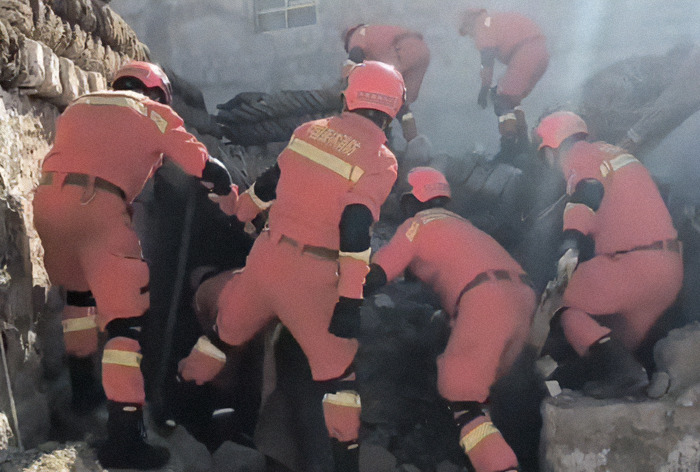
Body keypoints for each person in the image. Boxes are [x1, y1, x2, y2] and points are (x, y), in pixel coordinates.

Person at [177, 60, 405, 472]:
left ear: (348, 95)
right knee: (339, 382)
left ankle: (174, 412)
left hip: (264, 261)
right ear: (393, 108)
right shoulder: (380, 159)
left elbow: (265, 187)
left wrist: (237, 206)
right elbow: (355, 230)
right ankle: (344, 463)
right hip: (313, 277)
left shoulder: (308, 132)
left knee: (219, 341)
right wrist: (350, 301)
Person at [32, 60, 237, 470]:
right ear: (157, 92)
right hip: (99, 206)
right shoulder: (152, 112)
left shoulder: (79, 106)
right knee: (124, 326)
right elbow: (204, 166)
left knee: (78, 297)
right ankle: (126, 440)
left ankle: (83, 390)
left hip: (49, 205)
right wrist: (228, 196)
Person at [364, 167, 536, 472]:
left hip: (484, 301)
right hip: (521, 297)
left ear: (410, 201)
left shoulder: (417, 224)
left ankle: (500, 467)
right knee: (488, 388)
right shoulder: (464, 225)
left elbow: (377, 274)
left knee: (461, 396)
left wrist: (342, 286)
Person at [533, 111, 684, 398]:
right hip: (667, 270)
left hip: (633, 266)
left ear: (553, 147)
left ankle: (623, 375)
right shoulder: (611, 154)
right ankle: (635, 379)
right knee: (609, 348)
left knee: (557, 301)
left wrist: (571, 241)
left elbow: (588, 192)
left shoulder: (578, 154)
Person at [459, 8, 549, 161]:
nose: (470, 36)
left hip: (525, 53)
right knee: (512, 99)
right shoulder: (498, 20)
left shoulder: (482, 25)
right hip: (541, 54)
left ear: (469, 21)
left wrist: (484, 87)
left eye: (468, 31)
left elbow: (487, 60)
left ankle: (510, 145)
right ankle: (523, 146)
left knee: (503, 100)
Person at [343, 23, 430, 142]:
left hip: (401, 51)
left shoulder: (356, 37)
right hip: (423, 51)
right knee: (402, 103)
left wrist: (343, 89)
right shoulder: (375, 32)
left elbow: (351, 64)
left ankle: (387, 140)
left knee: (392, 91)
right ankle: (415, 142)